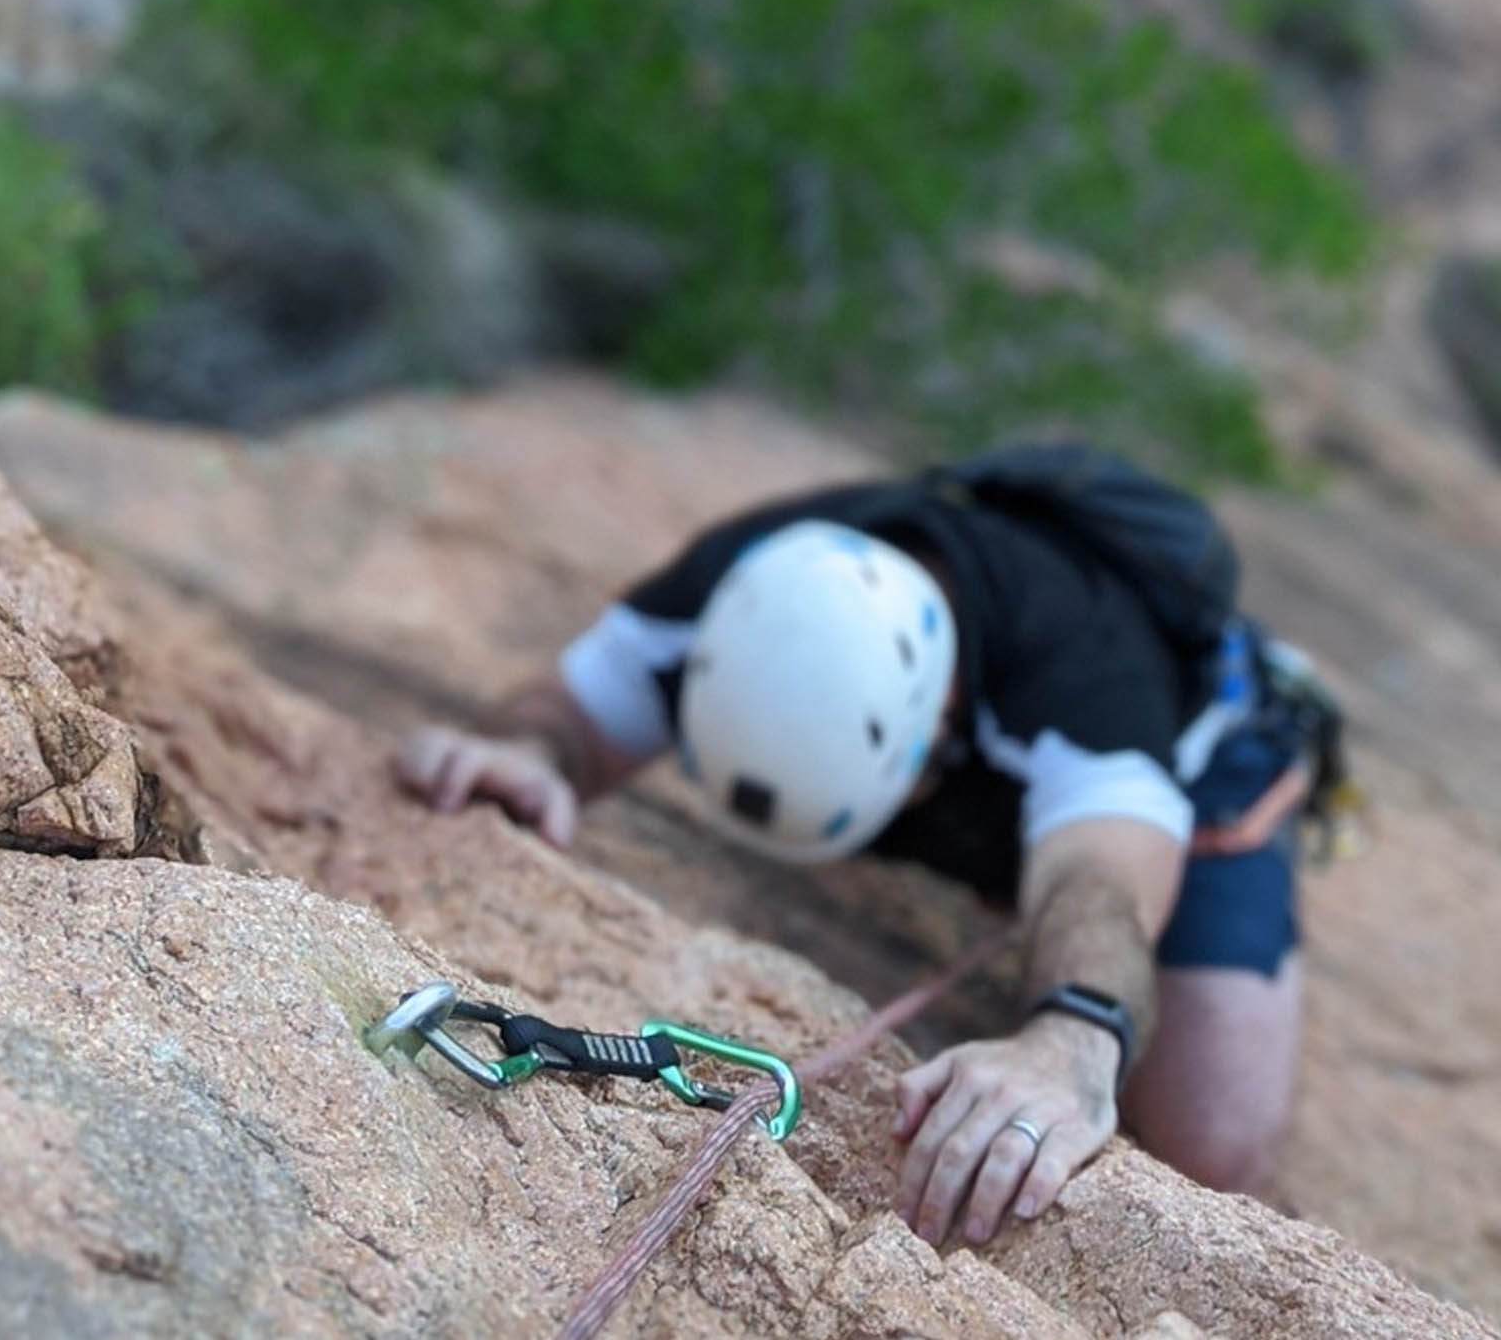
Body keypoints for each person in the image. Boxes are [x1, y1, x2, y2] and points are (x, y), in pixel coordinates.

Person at [394, 450, 1324, 1249]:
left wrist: (1073, 1034)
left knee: (1213, 1138)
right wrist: (530, 752)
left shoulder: (1080, 678)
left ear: (939, 728)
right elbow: (569, 713)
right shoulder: (743, 585)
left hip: (1203, 767)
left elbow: (1101, 879)